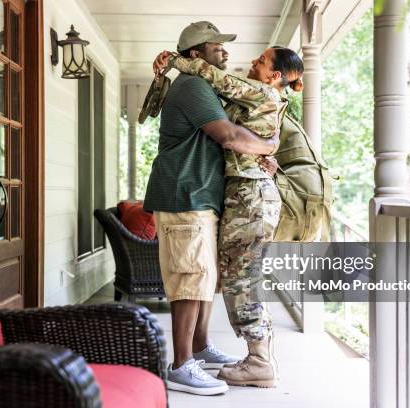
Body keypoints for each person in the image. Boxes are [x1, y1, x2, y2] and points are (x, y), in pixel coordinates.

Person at [142, 21, 280, 396]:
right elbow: (230, 136)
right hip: (185, 194)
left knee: (203, 277)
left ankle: (200, 347)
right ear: (194, 54)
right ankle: (182, 364)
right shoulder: (192, 86)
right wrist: (268, 147)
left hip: (201, 194)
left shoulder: (207, 86)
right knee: (189, 278)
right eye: (216, 45)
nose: (225, 51)